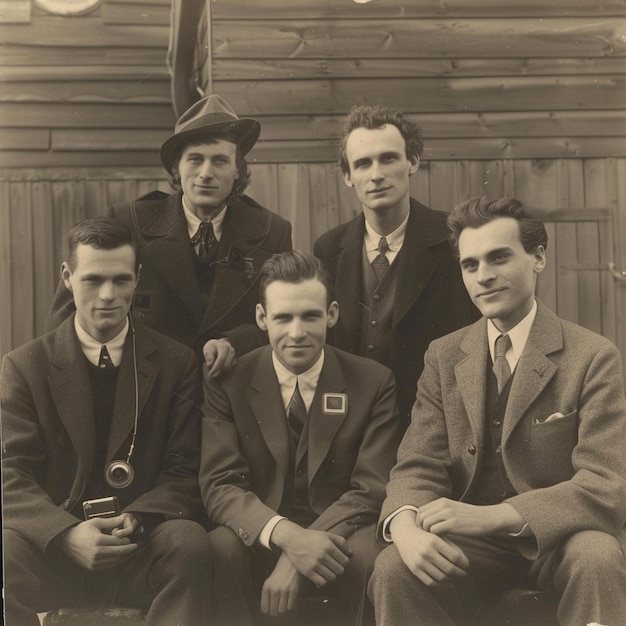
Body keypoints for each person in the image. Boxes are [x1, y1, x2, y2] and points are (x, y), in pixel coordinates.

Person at [369, 196, 626, 626]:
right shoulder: (444, 355)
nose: (484, 277)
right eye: (470, 265)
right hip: (472, 551)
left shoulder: (593, 357)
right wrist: (405, 528)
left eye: (499, 258)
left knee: (597, 555)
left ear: (538, 258)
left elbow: (605, 485)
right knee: (394, 567)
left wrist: (493, 517)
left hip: (559, 541)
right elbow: (417, 466)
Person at [2, 217, 216, 625]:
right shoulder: (23, 366)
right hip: (54, 557)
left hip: (137, 547)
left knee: (189, 544)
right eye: (93, 279)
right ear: (67, 277)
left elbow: (186, 467)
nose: (108, 296)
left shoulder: (175, 363)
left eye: (121, 280)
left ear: (137, 279)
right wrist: (64, 535)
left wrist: (137, 520)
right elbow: (9, 475)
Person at [200, 250, 403, 625]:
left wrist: (297, 556)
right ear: (262, 318)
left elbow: (372, 487)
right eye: (283, 317)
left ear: (332, 314)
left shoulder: (372, 381)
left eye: (311, 316)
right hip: (262, 530)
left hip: (338, 530)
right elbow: (219, 484)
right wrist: (289, 538)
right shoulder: (229, 382)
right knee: (218, 547)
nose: (297, 333)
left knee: (368, 554)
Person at [49, 94, 292, 378]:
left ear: (238, 169)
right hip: (146, 387)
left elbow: (286, 317)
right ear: (176, 167)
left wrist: (234, 343)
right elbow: (67, 316)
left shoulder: (270, 231)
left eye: (220, 161)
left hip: (232, 384)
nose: (206, 173)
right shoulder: (130, 222)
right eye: (195, 160)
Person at [314, 105, 477, 427]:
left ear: (412, 162)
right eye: (363, 164)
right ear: (348, 176)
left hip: (435, 421)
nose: (376, 174)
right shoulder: (329, 248)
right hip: (353, 427)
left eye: (388, 158)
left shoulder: (454, 240)